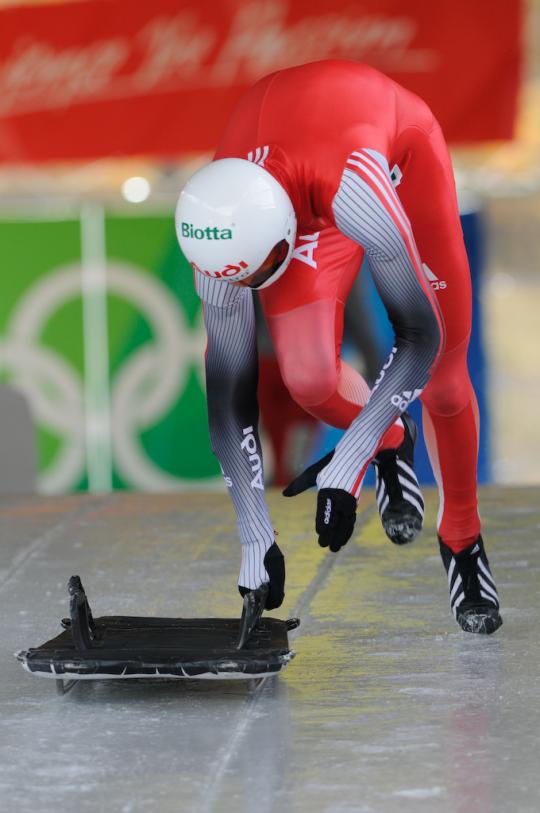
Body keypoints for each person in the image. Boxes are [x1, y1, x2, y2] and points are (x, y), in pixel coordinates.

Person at [175, 60, 502, 635]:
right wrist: (255, 539)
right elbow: (228, 397)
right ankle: (391, 439)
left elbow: (417, 339)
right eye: (243, 281)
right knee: (308, 381)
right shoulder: (222, 238)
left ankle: (462, 538)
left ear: (288, 237)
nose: (252, 292)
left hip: (391, 159)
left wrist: (346, 463)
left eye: (263, 274)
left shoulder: (358, 191)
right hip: (290, 187)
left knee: (446, 383)